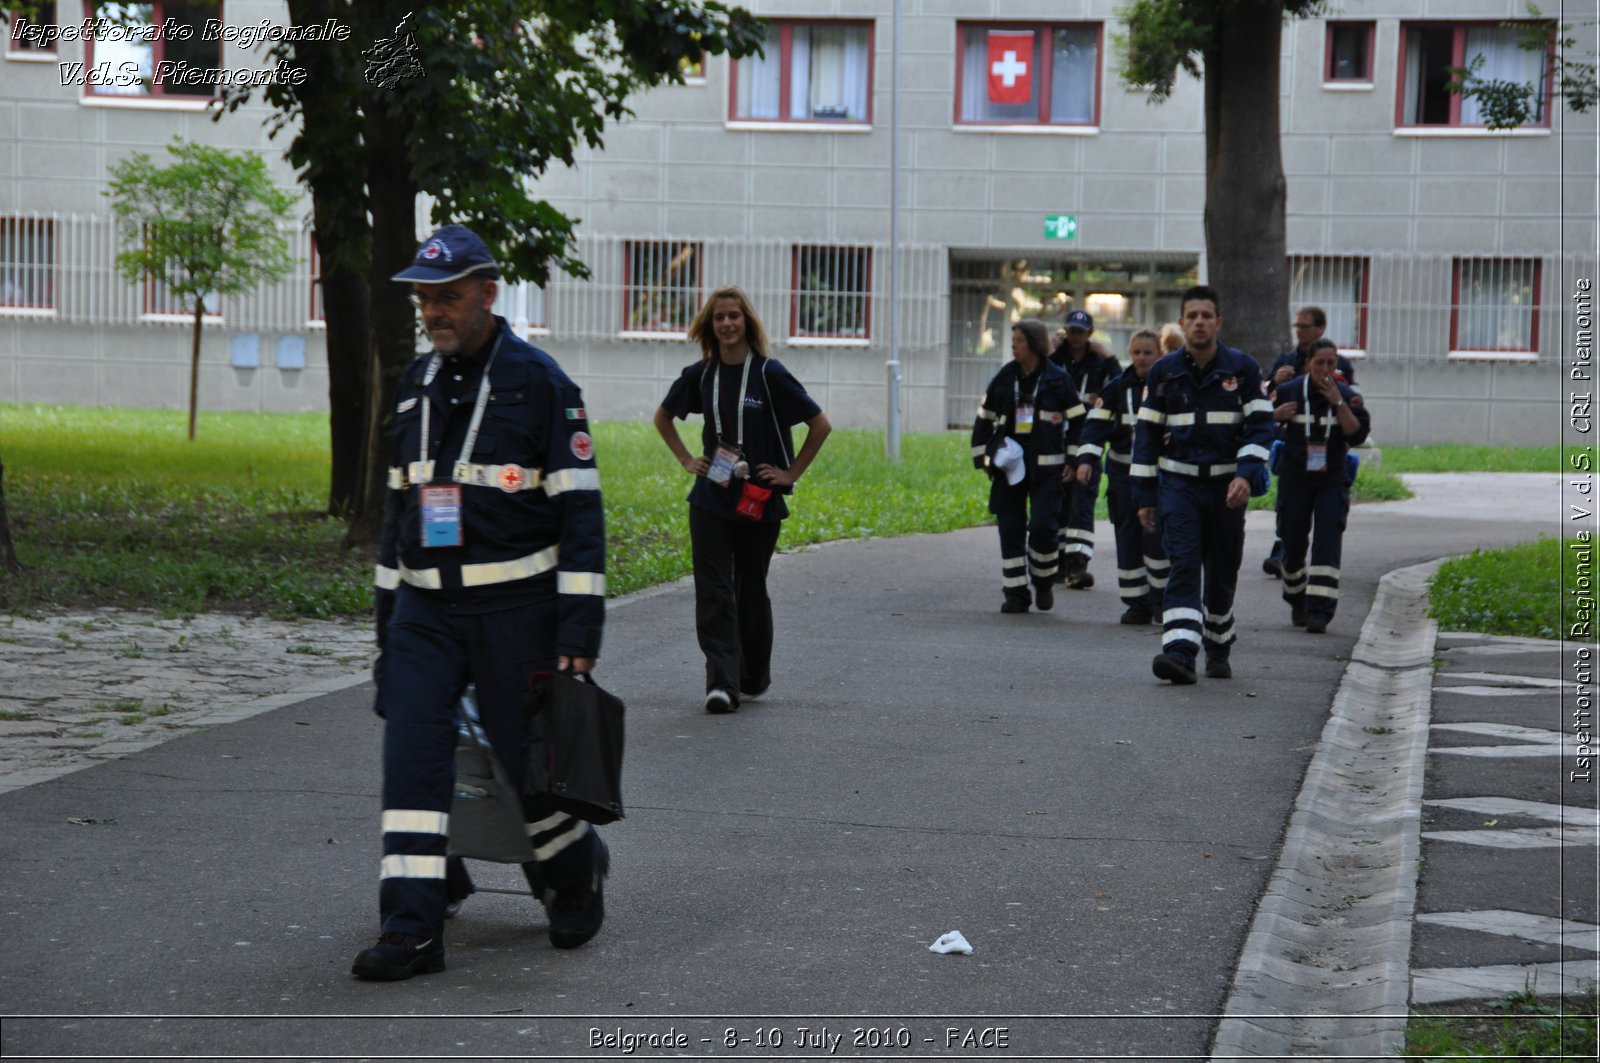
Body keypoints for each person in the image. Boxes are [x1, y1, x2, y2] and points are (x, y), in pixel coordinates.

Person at [356, 225, 611, 981]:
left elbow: (582, 516)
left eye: (450, 297)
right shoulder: (413, 386)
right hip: (425, 615)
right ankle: (411, 927)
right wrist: (386, 630)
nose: (435, 311)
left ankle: (574, 874)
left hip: (518, 614)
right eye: (426, 298)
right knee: (412, 767)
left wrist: (579, 631)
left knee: (530, 769)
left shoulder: (542, 384)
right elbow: (398, 516)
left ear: (488, 294)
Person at [653, 287, 832, 714]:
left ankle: (752, 677)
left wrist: (789, 475)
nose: (727, 324)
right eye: (719, 318)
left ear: (746, 322)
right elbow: (663, 417)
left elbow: (820, 425)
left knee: (750, 590)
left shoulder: (770, 374)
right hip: (711, 496)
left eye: (734, 316)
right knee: (714, 590)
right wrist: (685, 459)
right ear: (710, 326)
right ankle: (721, 684)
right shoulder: (701, 374)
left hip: (758, 499)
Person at [1133, 285, 1274, 684]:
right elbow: (1146, 436)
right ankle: (1178, 653)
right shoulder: (1163, 371)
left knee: (1222, 571)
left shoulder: (1242, 369)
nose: (1198, 322)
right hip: (1179, 487)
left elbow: (1262, 426)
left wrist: (1245, 474)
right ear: (1181, 323)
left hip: (1227, 490)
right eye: (1191, 316)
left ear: (1218, 323)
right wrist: (1145, 496)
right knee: (1184, 564)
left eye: (1205, 315)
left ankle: (1219, 644)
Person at [972, 319, 1084, 612]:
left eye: (1019, 340)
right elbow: (984, 418)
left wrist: (1074, 459)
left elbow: (1078, 422)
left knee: (1043, 526)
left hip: (1048, 470)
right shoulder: (1005, 377)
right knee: (1010, 527)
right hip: (1009, 468)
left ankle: (1044, 581)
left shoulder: (1058, 379)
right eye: (1013, 340)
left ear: (1034, 343)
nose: (1013, 345)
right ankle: (1016, 593)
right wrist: (982, 458)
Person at [1271, 338, 1371, 634]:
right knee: (1292, 541)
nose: (1326, 369)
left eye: (1331, 363)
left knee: (1327, 541)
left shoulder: (1347, 395)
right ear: (1308, 365)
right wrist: (1275, 416)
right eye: (1319, 363)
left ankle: (1320, 611)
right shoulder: (1289, 392)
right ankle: (1296, 595)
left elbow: (1357, 435)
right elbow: (1258, 425)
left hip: (1331, 478)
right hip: (1295, 478)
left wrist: (1338, 403)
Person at [1261, 306, 1362, 578]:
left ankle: (1313, 594)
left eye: (1305, 327)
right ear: (1308, 365)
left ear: (1320, 329)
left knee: (1327, 525)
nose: (1299, 331)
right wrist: (1273, 382)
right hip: (1293, 452)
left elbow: (1355, 411)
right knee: (1291, 515)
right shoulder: (1286, 360)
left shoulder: (1342, 366)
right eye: (1297, 326)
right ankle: (1284, 554)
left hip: (1330, 457)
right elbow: (1263, 403)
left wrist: (1345, 438)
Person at [1078, 328, 1167, 625]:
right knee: (1127, 538)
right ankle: (1136, 603)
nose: (1142, 359)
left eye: (1148, 353)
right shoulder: (1117, 387)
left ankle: (1162, 600)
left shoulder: (1167, 386)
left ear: (1160, 354)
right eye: (1137, 353)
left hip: (1156, 476)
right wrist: (1087, 459)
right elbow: (1095, 427)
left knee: (1154, 539)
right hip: (1122, 476)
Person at [1049, 309, 1119, 589]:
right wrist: (1049, 352)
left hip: (1089, 439)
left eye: (1081, 331)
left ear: (1090, 333)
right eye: (1072, 330)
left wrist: (1111, 358)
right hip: (1056, 439)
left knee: (1082, 502)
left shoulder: (1099, 362)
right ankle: (1056, 563)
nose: (1076, 336)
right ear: (1065, 330)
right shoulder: (1056, 359)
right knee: (1058, 503)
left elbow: (1121, 385)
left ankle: (1078, 565)